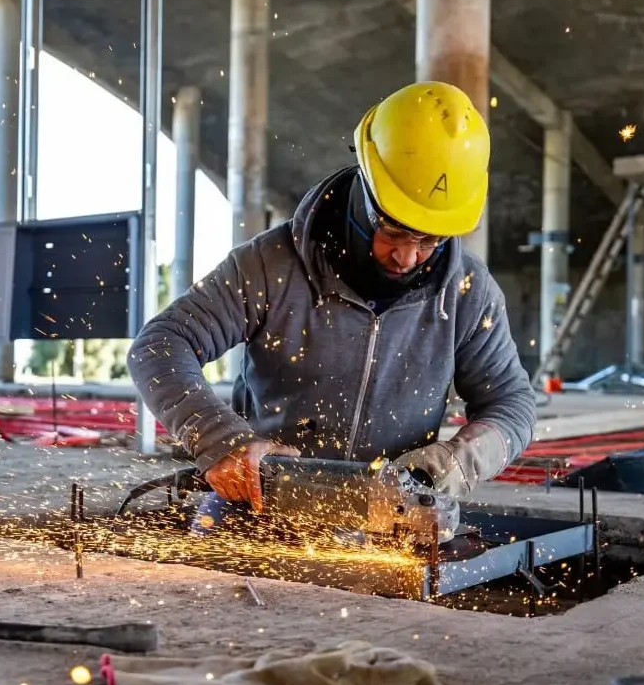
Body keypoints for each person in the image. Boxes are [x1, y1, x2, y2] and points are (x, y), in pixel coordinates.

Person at [126, 81, 537, 527]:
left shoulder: (468, 293)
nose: (407, 256)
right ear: (365, 188)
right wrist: (224, 442)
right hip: (262, 506)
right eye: (393, 231)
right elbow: (161, 345)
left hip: (393, 517)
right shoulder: (271, 265)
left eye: (429, 240)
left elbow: (512, 403)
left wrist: (458, 461)